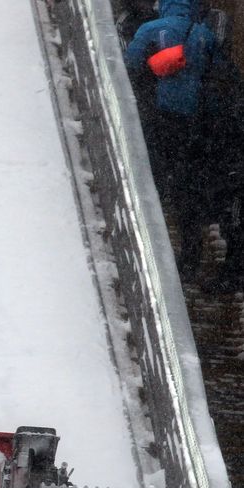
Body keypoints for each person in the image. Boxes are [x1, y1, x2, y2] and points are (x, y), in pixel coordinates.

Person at [124, 0, 221, 279]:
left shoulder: (151, 28)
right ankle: (189, 258)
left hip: (160, 116)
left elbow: (129, 63)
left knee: (150, 177)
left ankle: (143, 242)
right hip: (194, 122)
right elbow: (217, 74)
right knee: (187, 188)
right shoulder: (205, 35)